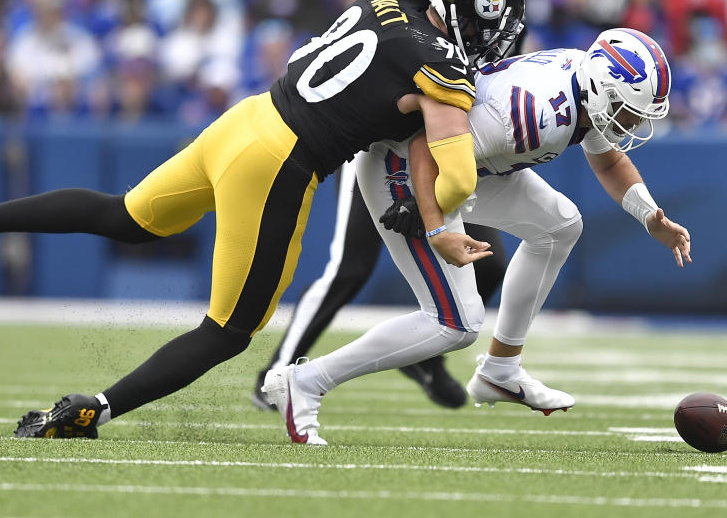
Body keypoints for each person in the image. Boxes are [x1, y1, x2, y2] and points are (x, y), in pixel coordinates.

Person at [0, 0, 526, 438]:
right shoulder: (442, 68)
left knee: (125, 216)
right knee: (229, 331)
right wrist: (454, 172)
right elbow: (457, 179)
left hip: (248, 118)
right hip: (281, 162)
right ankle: (93, 410)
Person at [263, 28, 691, 445]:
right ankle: (304, 381)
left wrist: (650, 215)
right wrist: (434, 226)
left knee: (560, 226)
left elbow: (610, 163)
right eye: (629, 109)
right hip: (406, 168)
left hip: (464, 165)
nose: (632, 121)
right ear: (601, 88)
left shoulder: (581, 86)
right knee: (456, 323)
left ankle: (501, 370)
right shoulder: (533, 114)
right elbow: (425, 144)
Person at [250, 0, 512, 412]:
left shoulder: (498, 17)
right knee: (348, 268)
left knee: (489, 261)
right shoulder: (422, 14)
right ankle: (277, 372)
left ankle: (426, 359)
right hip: (380, 151)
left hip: (444, 157)